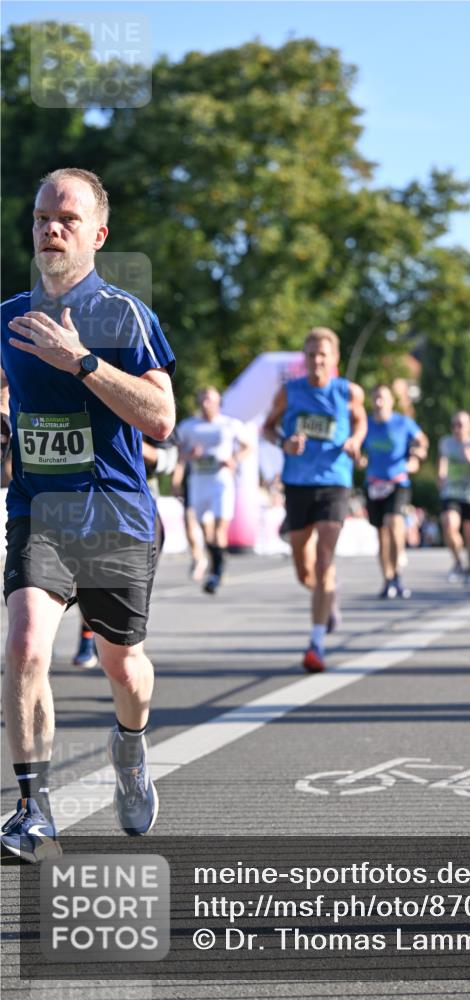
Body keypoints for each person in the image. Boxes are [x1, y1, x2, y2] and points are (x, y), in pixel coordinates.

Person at [0, 168, 175, 862]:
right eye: (43, 217)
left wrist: (83, 363)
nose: (51, 229)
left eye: (67, 219)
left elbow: (161, 419)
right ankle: (31, 808)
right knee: (24, 647)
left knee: (123, 666)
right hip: (40, 512)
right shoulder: (8, 316)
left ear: (97, 235)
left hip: (115, 515)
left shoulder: (126, 316)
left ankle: (129, 749)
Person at [263, 327, 366, 672]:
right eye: (311, 354)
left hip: (335, 482)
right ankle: (328, 599)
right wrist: (284, 443)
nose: (317, 360)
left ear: (334, 359)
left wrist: (354, 441)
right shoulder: (289, 392)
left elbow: (360, 421)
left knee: (324, 559)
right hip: (297, 484)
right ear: (304, 359)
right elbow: (267, 427)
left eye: (323, 354)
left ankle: (316, 644)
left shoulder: (348, 392)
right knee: (304, 571)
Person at [72, 431, 179, 669]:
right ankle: (88, 637)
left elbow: (169, 461)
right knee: (86, 579)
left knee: (131, 589)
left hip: (138, 512)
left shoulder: (148, 409)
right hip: (91, 504)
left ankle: (127, 648)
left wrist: (121, 436)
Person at [176, 387, 251, 594]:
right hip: (199, 482)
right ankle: (216, 562)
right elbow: (177, 449)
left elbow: (247, 446)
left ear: (218, 402)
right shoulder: (189, 426)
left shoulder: (229, 424)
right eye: (202, 399)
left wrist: (234, 459)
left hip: (221, 482)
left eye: (209, 399)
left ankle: (216, 572)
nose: (205, 403)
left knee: (219, 529)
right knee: (206, 531)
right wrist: (189, 454)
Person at [361, 384, 428, 599]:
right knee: (381, 534)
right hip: (374, 483)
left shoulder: (403, 422)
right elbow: (356, 445)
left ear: (391, 401)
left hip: (398, 481)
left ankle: (398, 572)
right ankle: (388, 579)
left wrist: (416, 454)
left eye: (383, 398)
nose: (379, 402)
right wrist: (357, 458)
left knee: (394, 524)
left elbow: (422, 441)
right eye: (375, 398)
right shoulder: (367, 424)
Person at [438, 411, 470, 586]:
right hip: (451, 493)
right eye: (454, 425)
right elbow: (443, 461)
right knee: (449, 525)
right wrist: (441, 476)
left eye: (461, 425)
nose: (457, 429)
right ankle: (458, 561)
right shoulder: (446, 443)